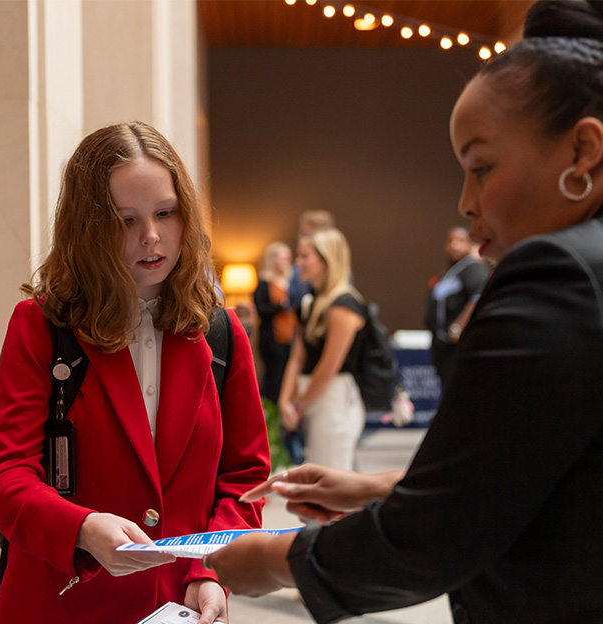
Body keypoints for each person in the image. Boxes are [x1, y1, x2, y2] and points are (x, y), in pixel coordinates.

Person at [202, 1, 603, 622]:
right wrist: (382, 491)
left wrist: (278, 559)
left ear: (582, 151)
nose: (467, 202)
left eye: (481, 167)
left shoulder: (560, 276)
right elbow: (534, 474)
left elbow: (442, 532)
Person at [0, 121, 271, 624]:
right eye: (125, 219)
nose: (151, 237)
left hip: (175, 604)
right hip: (59, 602)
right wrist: (83, 528)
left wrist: (210, 571)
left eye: (165, 213)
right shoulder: (41, 327)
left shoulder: (221, 332)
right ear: (88, 228)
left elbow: (244, 479)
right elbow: (4, 478)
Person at [278, 228, 367, 471]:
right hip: (311, 394)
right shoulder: (309, 303)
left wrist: (299, 404)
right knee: (312, 474)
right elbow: (297, 357)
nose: (298, 264)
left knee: (331, 478)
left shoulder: (345, 304)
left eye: (305, 256)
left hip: (334, 397)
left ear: (327, 259)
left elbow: (330, 366)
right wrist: (285, 400)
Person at [424, 226, 490, 388]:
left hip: (459, 349)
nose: (454, 245)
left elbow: (479, 296)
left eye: (460, 241)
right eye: (451, 241)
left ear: (469, 244)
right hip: (442, 349)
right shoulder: (448, 273)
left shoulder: (473, 268)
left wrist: (458, 326)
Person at [253, 241, 298, 404]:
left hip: (290, 339)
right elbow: (260, 309)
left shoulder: (293, 282)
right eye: (281, 257)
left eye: (288, 257)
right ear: (272, 259)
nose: (286, 261)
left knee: (288, 380)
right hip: (271, 340)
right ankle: (271, 418)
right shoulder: (264, 283)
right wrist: (281, 306)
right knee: (274, 380)